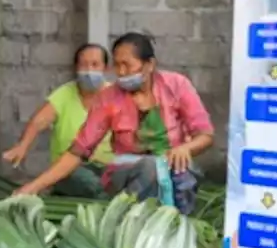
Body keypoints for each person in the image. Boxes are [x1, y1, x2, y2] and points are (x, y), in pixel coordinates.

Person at [15, 33, 214, 213]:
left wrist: (186, 148)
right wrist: (33, 187)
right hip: (127, 172)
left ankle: (177, 224)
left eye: (127, 64)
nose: (121, 72)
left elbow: (205, 135)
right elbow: (78, 151)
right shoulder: (108, 99)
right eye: (117, 65)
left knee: (180, 174)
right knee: (150, 167)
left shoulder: (177, 85)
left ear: (149, 64)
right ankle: (135, 222)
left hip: (173, 168)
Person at [2, 43, 114, 198]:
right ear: (76, 69)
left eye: (95, 65)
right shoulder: (65, 95)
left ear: (106, 68)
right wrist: (22, 146)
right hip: (69, 171)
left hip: (107, 168)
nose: (89, 71)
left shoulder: (117, 98)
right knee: (89, 183)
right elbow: (38, 121)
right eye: (83, 65)